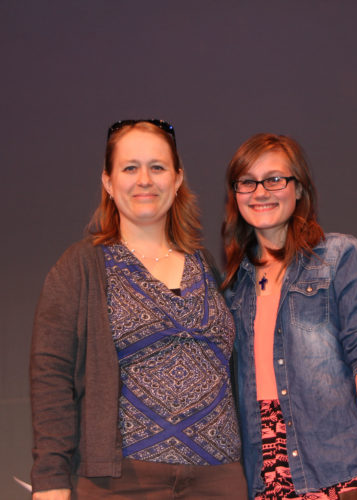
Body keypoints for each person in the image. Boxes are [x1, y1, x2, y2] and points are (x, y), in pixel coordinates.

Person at [30, 119, 246, 500]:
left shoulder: (206, 264)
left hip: (219, 480)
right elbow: (51, 377)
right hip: (122, 484)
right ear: (109, 183)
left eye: (157, 167)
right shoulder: (82, 266)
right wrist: (50, 482)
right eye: (130, 168)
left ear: (177, 180)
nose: (144, 179)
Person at [222, 133, 357, 500]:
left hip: (343, 466)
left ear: (299, 190)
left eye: (275, 179)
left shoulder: (338, 256)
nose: (261, 191)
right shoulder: (233, 287)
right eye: (247, 181)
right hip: (267, 473)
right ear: (235, 195)